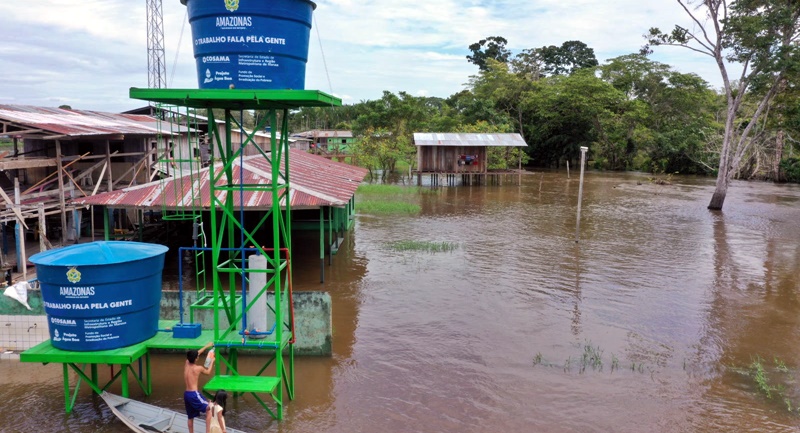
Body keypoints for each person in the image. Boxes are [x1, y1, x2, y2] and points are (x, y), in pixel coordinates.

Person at [184, 342, 215, 433]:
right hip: (194, 394)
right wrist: (212, 361)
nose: (198, 356)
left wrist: (206, 346)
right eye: (197, 356)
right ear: (196, 359)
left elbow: (197, 353)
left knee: (190, 417)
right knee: (210, 409)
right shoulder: (198, 368)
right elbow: (208, 372)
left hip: (186, 394)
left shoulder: (186, 363)